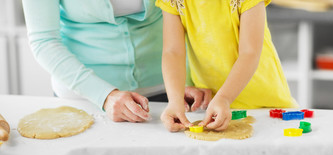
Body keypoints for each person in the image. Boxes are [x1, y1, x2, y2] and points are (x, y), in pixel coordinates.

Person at [22, 0, 211, 122]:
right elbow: (44, 41)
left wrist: (185, 82)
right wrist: (105, 95)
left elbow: (184, 14)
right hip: (85, 96)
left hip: (167, 90)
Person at [156, 0, 297, 132]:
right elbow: (173, 52)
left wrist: (224, 98)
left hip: (264, 105)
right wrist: (175, 101)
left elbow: (249, 53)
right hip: (213, 108)